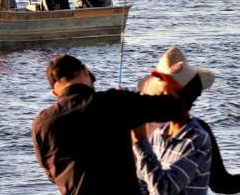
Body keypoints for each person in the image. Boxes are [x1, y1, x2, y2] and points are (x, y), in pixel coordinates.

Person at [31, 54, 201, 195]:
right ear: (85, 71)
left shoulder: (41, 124)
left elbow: (51, 174)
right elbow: (173, 108)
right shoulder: (115, 102)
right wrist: (169, 79)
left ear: (55, 93)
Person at [133, 45, 239, 195]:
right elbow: (143, 183)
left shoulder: (197, 138)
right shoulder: (158, 133)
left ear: (182, 100)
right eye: (158, 94)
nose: (157, 99)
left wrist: (140, 140)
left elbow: (163, 189)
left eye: (164, 95)